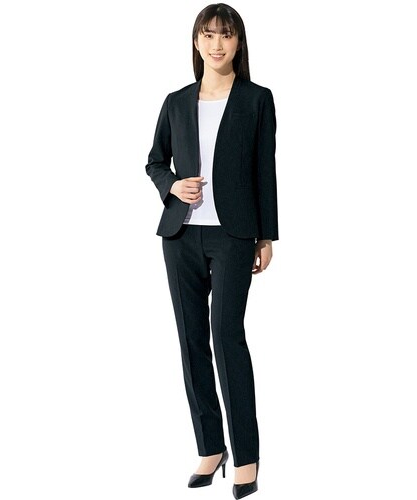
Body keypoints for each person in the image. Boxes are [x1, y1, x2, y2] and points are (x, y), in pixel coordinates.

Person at [145, 3, 278, 498]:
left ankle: (247, 456)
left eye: (225, 34)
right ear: (196, 41)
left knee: (227, 339)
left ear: (238, 42)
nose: (216, 44)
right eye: (207, 34)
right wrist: (172, 185)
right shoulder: (176, 101)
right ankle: (210, 447)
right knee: (191, 341)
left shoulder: (257, 99)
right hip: (180, 236)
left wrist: (266, 236)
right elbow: (155, 161)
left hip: (234, 236)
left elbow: (265, 169)